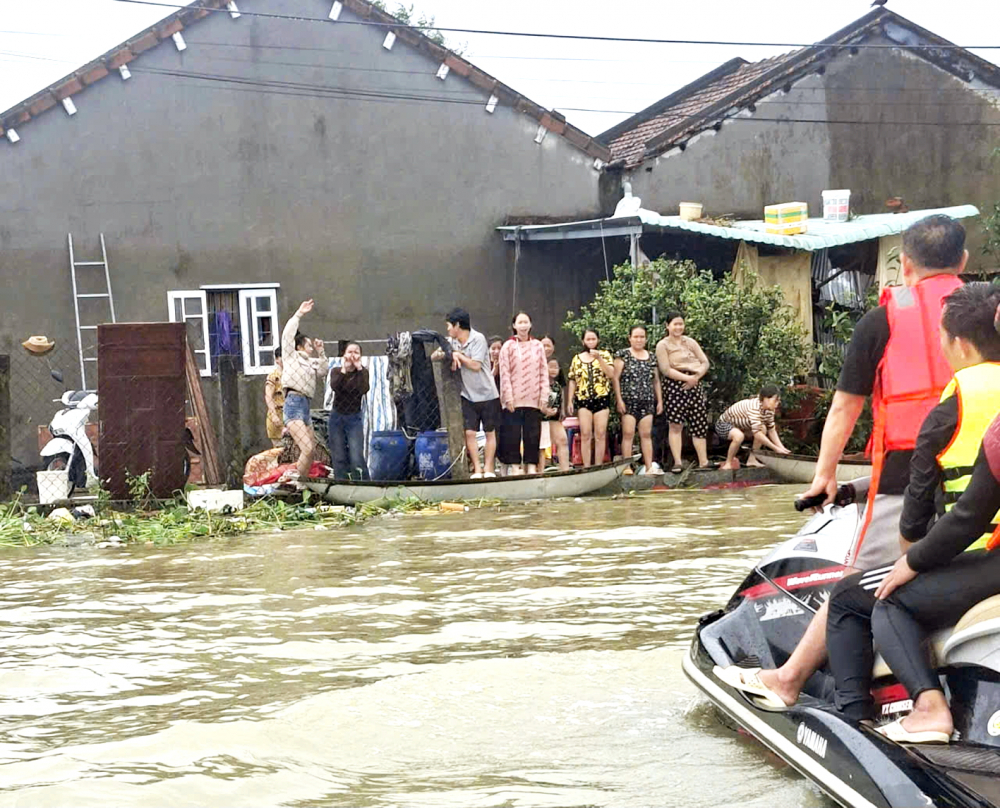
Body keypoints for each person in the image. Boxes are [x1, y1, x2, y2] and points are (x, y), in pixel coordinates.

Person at [715, 214, 969, 708]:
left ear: (908, 264)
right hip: (984, 474)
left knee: (861, 585)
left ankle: (788, 679)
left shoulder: (883, 318)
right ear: (962, 262)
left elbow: (846, 406)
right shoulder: (987, 314)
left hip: (905, 476)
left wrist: (824, 476)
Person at [823, 283, 1000, 738]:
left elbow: (932, 512)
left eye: (941, 338)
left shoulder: (953, 402)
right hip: (982, 554)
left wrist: (911, 559)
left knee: (865, 597)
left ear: (959, 343)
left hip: (980, 556)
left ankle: (865, 718)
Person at [444, 307, 501, 479]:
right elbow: (436, 354)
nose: (447, 329)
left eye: (449, 325)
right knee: (469, 432)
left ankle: (489, 468)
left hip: (487, 394)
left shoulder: (478, 339)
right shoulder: (452, 341)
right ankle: (477, 469)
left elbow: (475, 366)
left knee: (490, 431)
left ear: (457, 325)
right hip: (467, 395)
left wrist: (459, 356)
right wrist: (450, 353)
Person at [655, 313, 712, 472]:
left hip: (694, 381)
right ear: (667, 326)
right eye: (675, 324)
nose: (678, 327)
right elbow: (665, 369)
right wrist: (686, 379)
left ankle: (704, 461)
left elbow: (705, 362)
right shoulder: (662, 345)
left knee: (699, 422)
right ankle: (678, 462)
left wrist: (695, 377)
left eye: (681, 324)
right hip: (674, 385)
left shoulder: (690, 342)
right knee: (675, 424)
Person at [281, 299, 327, 482]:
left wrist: (321, 352)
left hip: (306, 405)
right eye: (309, 346)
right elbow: (287, 336)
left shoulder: (311, 363)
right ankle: (297, 481)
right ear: (299, 347)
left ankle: (302, 480)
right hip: (293, 403)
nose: (311, 349)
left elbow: (323, 370)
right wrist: (299, 314)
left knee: (312, 448)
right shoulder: (291, 357)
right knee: (307, 448)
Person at [498, 312, 549, 475]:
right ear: (514, 326)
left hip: (534, 398)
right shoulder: (508, 346)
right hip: (514, 398)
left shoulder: (538, 346)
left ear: (530, 324)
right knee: (512, 434)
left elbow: (543, 372)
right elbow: (504, 373)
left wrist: (544, 396)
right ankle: (515, 467)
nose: (523, 325)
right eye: (520, 322)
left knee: (533, 434)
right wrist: (508, 397)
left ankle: (531, 466)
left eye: (526, 322)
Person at [613, 325, 663, 475]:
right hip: (628, 400)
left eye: (642, 337)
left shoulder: (651, 357)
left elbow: (656, 381)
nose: (639, 340)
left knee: (646, 434)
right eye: (636, 336)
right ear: (630, 338)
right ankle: (627, 467)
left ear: (646, 339)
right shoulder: (623, 355)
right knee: (628, 434)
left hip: (647, 400)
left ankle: (649, 467)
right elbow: (615, 378)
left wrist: (659, 400)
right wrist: (619, 400)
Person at [567, 329, 614, 467]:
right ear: (583, 341)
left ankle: (598, 464)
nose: (591, 342)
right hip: (583, 399)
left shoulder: (605, 355)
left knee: (600, 434)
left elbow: (611, 374)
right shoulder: (577, 359)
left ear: (598, 340)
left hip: (601, 398)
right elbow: (572, 380)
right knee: (586, 434)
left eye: (593, 339)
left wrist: (599, 358)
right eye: (588, 339)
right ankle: (586, 465)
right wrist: (570, 399)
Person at [715, 385, 790, 471]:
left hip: (743, 427)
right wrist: (775, 449)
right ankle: (728, 463)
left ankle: (752, 459)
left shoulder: (769, 410)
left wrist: (782, 449)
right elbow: (757, 434)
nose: (777, 404)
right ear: (766, 399)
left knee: (763, 428)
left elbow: (771, 429)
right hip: (724, 425)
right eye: (775, 400)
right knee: (739, 436)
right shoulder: (754, 407)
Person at [327, 341, 370, 481]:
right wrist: (344, 370)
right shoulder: (336, 371)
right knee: (338, 456)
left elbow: (364, 389)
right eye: (349, 352)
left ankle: (364, 484)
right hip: (337, 417)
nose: (353, 355)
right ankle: (342, 484)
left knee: (356, 455)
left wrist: (359, 368)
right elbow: (335, 386)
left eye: (356, 352)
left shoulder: (362, 373)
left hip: (354, 418)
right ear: (344, 355)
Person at [540, 358, 570, 471]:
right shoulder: (539, 383)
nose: (553, 370)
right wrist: (544, 409)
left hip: (554, 417)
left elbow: (561, 399)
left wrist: (561, 411)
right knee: (541, 445)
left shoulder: (557, 385)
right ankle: (539, 472)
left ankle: (564, 469)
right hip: (540, 418)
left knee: (562, 440)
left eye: (556, 367)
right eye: (550, 366)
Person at [264, 356, 285, 448]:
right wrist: (274, 414)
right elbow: (268, 396)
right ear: (277, 359)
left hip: (292, 413)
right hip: (278, 412)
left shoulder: (292, 375)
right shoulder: (273, 376)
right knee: (279, 449)